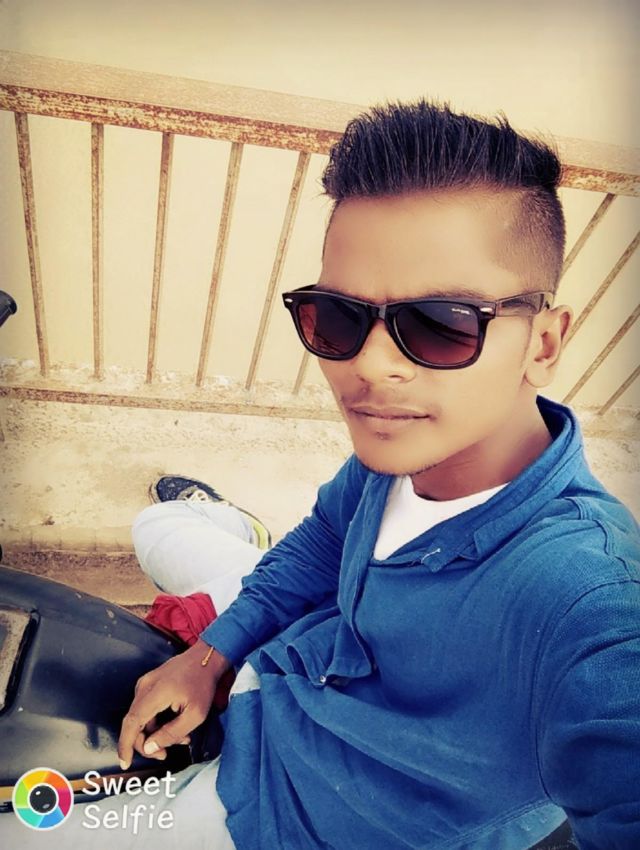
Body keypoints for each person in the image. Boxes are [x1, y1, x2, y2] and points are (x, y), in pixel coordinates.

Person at [4, 102, 638, 850]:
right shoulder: (401, 453)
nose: (369, 367)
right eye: (337, 317)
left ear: (544, 344)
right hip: (285, 670)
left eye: (441, 324)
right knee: (157, 525)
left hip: (283, 811)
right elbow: (325, 539)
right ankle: (237, 529)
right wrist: (211, 655)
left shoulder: (588, 600)